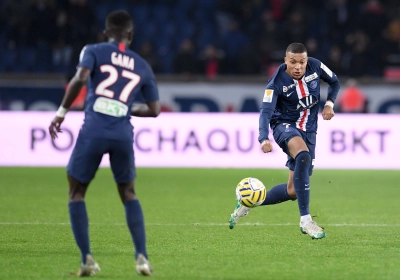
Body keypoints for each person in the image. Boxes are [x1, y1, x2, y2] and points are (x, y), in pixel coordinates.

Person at [48, 10, 160, 276]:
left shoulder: (94, 50)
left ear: (105, 32)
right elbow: (154, 110)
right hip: (122, 133)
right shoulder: (142, 65)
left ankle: (87, 259)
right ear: (130, 35)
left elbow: (81, 78)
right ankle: (142, 257)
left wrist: (61, 112)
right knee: (128, 193)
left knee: (76, 192)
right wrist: (122, 106)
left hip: (94, 130)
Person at [229, 43, 340, 240]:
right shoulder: (275, 84)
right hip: (284, 125)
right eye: (293, 62)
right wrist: (264, 138)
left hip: (310, 131)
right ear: (285, 61)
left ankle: (249, 202)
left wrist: (329, 103)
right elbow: (265, 113)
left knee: (293, 191)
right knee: (303, 155)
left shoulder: (315, 66)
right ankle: (306, 220)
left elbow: (335, 81)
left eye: (302, 62)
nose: (298, 67)